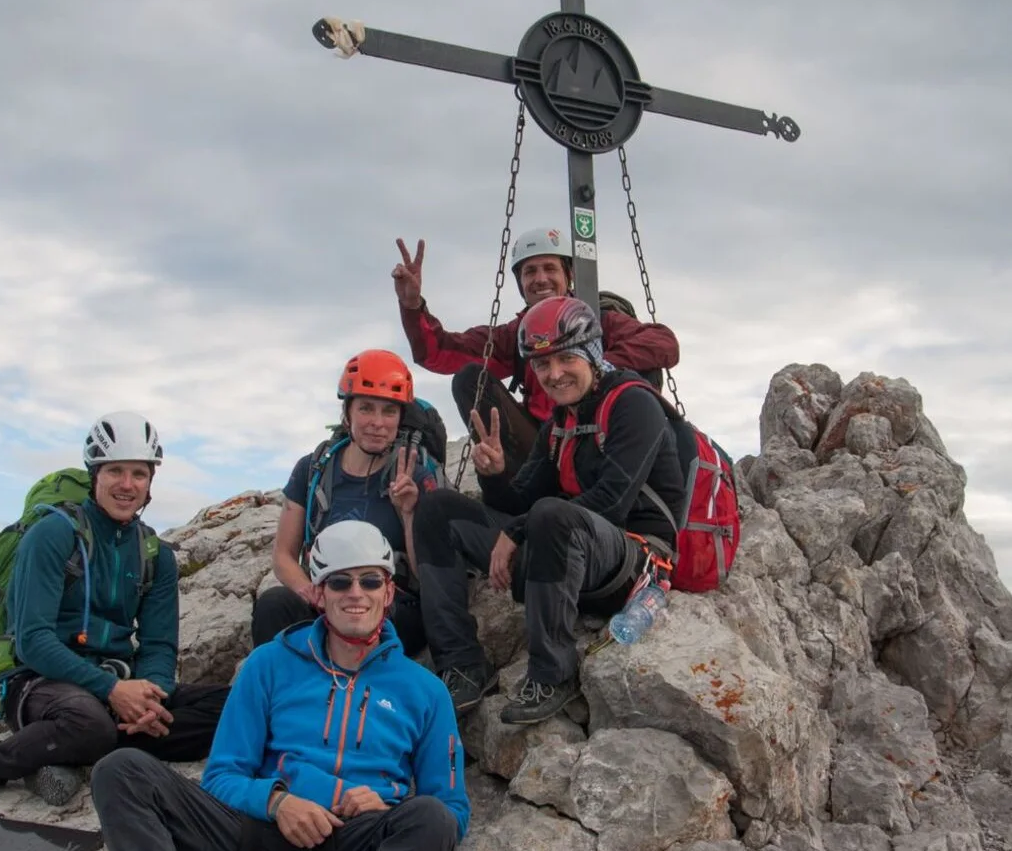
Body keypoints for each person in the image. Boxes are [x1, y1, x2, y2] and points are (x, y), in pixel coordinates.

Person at [90, 521, 468, 851]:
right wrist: (277, 801)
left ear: (388, 592)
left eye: (370, 580)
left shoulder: (427, 692)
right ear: (318, 594)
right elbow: (222, 776)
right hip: (257, 843)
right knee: (122, 771)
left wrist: (385, 812)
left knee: (431, 818)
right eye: (340, 582)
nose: (356, 593)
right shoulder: (268, 664)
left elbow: (452, 810)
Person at [0, 411, 230, 831]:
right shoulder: (52, 536)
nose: (127, 484)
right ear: (94, 473)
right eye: (115, 471)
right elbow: (33, 641)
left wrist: (151, 698)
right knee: (89, 723)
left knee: (233, 706)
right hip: (39, 682)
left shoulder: (156, 554)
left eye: (139, 473)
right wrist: (111, 690)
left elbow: (158, 645)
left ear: (151, 481)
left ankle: (69, 755)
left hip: (117, 685)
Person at [410, 296, 685, 722]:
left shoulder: (634, 404)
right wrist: (495, 474)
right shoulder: (561, 423)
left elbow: (612, 501)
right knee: (437, 509)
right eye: (541, 365)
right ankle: (462, 665)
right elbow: (519, 501)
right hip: (564, 554)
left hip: (633, 561)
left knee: (550, 514)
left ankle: (552, 674)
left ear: (592, 353)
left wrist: (518, 529)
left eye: (565, 359)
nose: (553, 374)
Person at [392, 228, 680, 480]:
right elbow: (441, 352)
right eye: (530, 272)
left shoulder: (598, 320)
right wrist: (412, 305)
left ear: (569, 275)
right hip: (541, 446)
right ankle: (509, 485)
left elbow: (663, 343)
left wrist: (595, 365)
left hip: (597, 443)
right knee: (468, 377)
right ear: (520, 283)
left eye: (549, 269)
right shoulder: (517, 334)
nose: (540, 279)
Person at [248, 350, 434, 655]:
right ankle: (282, 694)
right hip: (326, 598)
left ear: (401, 418)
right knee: (273, 605)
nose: (377, 422)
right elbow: (284, 555)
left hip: (387, 605)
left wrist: (409, 513)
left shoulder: (414, 475)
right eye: (366, 409)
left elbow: (425, 574)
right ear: (347, 414)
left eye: (389, 411)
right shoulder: (312, 470)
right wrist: (310, 593)